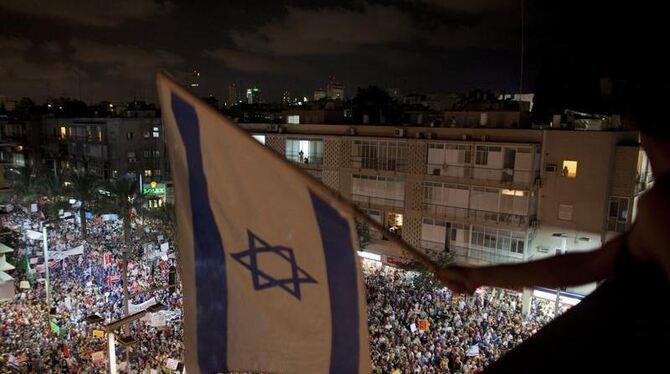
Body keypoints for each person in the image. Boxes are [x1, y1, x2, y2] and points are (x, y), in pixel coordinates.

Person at [437, 71, 670, 372]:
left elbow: (583, 268)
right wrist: (477, 276)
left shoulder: (662, 207)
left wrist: (477, 277)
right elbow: (581, 267)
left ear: (632, 120)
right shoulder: (657, 207)